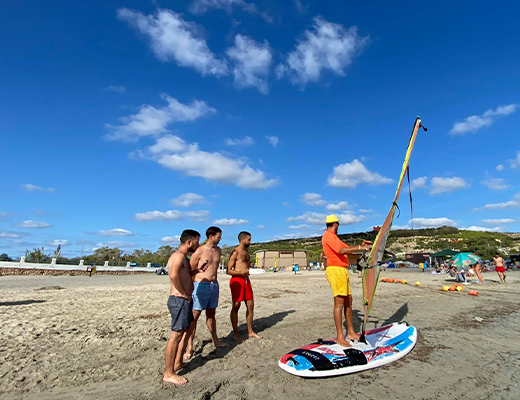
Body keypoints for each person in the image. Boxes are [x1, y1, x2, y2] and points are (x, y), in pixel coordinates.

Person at [321, 215, 371, 348]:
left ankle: (351, 333)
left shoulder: (335, 238)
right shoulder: (328, 236)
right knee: (339, 303)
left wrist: (363, 247)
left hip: (342, 270)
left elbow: (347, 249)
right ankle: (339, 337)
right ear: (335, 224)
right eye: (338, 225)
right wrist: (360, 247)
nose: (338, 228)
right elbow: (341, 250)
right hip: (335, 271)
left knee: (348, 300)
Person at [183, 226, 230, 362]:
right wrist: (190, 289)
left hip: (213, 285)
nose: (220, 239)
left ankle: (215, 340)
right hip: (200, 285)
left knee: (211, 314)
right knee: (194, 317)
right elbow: (190, 270)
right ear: (211, 236)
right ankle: (189, 347)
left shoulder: (218, 250)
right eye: (218, 236)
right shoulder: (200, 250)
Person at [163, 229, 201, 386]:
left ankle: (178, 363)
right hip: (179, 300)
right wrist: (184, 293)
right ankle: (169, 373)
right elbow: (173, 276)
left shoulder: (184, 257)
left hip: (184, 301)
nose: (198, 245)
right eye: (197, 242)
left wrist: (196, 271)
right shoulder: (177, 256)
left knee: (187, 330)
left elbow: (184, 274)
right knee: (175, 336)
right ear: (189, 242)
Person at [227, 231, 262, 343]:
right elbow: (229, 270)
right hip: (237, 280)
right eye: (249, 239)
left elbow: (245, 264)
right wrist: (241, 272)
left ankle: (250, 331)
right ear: (242, 240)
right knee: (236, 306)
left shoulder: (246, 251)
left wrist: (249, 266)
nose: (250, 241)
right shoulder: (235, 252)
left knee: (250, 305)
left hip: (246, 280)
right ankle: (236, 333)